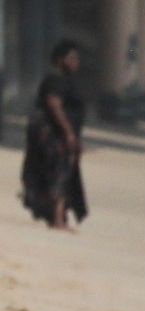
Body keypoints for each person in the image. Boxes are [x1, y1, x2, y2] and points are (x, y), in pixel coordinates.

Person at [20, 41, 87, 231]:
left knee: (65, 174)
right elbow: (53, 104)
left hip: (62, 135)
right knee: (58, 175)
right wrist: (68, 132)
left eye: (77, 58)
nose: (75, 62)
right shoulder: (55, 80)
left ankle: (59, 217)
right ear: (59, 60)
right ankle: (57, 219)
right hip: (53, 136)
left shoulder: (67, 81)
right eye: (71, 58)